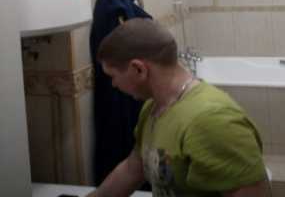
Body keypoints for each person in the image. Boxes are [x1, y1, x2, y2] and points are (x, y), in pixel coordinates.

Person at [86, 17, 269, 197]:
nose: (114, 85)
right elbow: (132, 169)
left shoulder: (211, 121)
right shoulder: (153, 107)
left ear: (139, 69)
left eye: (113, 76)